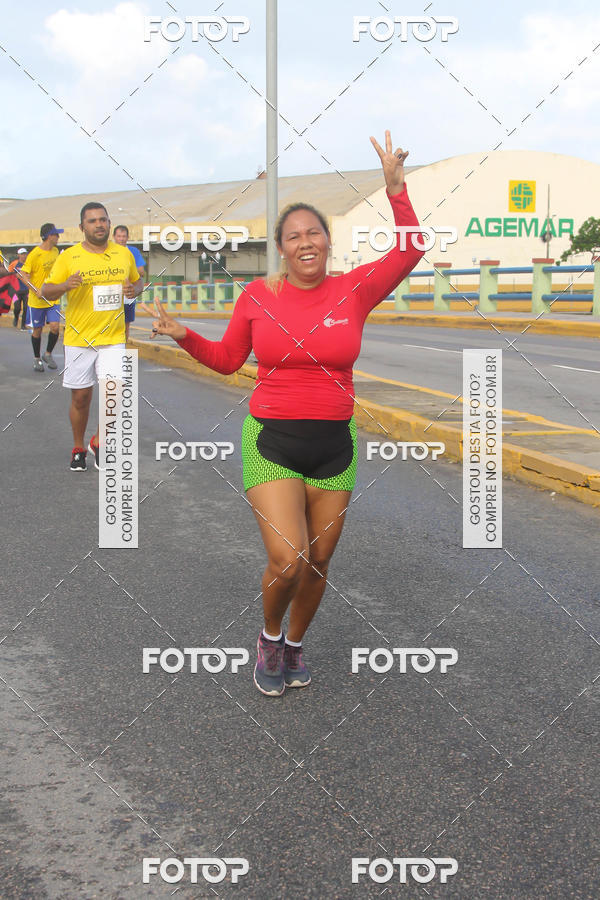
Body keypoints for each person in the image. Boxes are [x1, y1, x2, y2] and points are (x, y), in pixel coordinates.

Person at [143, 130, 425, 696]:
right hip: (271, 438)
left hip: (334, 445)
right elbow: (228, 361)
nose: (305, 242)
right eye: (294, 236)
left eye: (314, 233)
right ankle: (269, 635)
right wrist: (182, 335)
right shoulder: (258, 298)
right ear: (282, 247)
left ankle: (295, 646)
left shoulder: (354, 290)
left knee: (318, 562)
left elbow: (411, 248)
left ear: (327, 240)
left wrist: (396, 189)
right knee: (288, 558)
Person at [41, 202, 144, 471]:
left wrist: (135, 290)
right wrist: (65, 285)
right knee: (81, 398)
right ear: (82, 227)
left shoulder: (123, 255)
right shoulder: (69, 257)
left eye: (103, 220)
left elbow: (138, 281)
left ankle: (99, 441)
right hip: (79, 340)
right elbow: (46, 290)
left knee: (114, 394)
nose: (99, 224)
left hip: (112, 337)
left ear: (109, 223)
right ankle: (78, 447)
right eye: (92, 221)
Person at [21, 224, 63, 371]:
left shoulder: (56, 251)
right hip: (37, 300)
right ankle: (37, 358)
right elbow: (23, 275)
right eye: (56, 235)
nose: (58, 237)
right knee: (37, 330)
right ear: (49, 236)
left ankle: (48, 353)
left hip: (52, 298)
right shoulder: (34, 254)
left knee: (55, 327)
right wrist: (35, 289)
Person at [113, 225, 146, 342]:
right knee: (112, 326)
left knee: (125, 327)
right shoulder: (107, 251)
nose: (121, 239)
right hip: (111, 295)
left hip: (128, 296)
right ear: (114, 237)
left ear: (127, 238)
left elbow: (141, 272)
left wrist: (126, 268)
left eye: (124, 236)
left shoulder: (133, 252)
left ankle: (122, 352)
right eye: (119, 236)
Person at [9, 249, 29, 329]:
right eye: (22, 254)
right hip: (15, 291)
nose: (24, 256)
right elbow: (8, 273)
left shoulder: (28, 264)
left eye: (25, 254)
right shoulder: (14, 263)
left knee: (25, 308)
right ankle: (16, 317)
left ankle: (23, 325)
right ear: (18, 255)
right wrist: (15, 274)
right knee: (17, 307)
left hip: (26, 290)